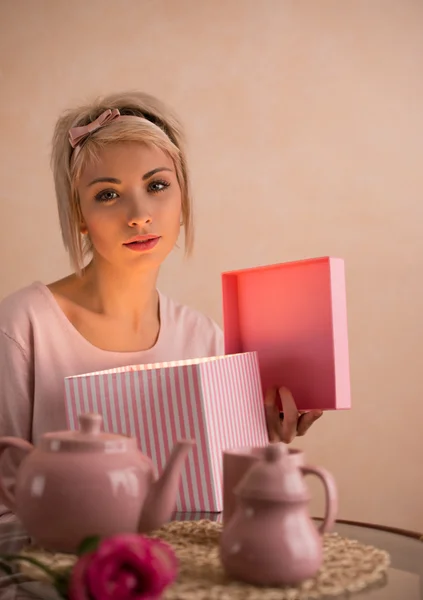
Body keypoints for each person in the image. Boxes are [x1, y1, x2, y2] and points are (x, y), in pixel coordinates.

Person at [0, 91, 322, 517]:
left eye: (157, 185)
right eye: (108, 195)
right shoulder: (23, 326)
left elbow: (220, 506)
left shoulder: (204, 339)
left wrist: (260, 438)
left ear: (183, 199)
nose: (139, 215)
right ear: (79, 214)